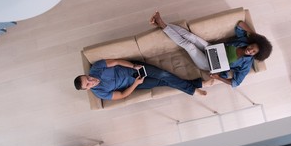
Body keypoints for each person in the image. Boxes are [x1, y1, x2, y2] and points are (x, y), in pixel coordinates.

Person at [150, 11, 272, 87]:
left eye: (253, 52)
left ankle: (161, 23)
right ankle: (162, 24)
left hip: (209, 64)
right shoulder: (244, 41)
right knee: (190, 36)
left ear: (255, 55)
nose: (250, 50)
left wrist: (218, 78)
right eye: (252, 46)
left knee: (188, 45)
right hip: (212, 48)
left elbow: (235, 83)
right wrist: (255, 35)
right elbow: (240, 24)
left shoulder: (246, 64)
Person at [74, 59, 212, 100]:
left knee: (164, 75)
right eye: (89, 84)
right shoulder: (100, 92)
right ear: (87, 89)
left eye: (88, 78)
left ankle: (194, 90)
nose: (92, 80)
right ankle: (199, 84)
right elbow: (122, 94)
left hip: (136, 69)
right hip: (135, 83)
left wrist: (134, 66)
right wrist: (136, 83)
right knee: (163, 82)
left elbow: (116, 62)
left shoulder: (96, 68)